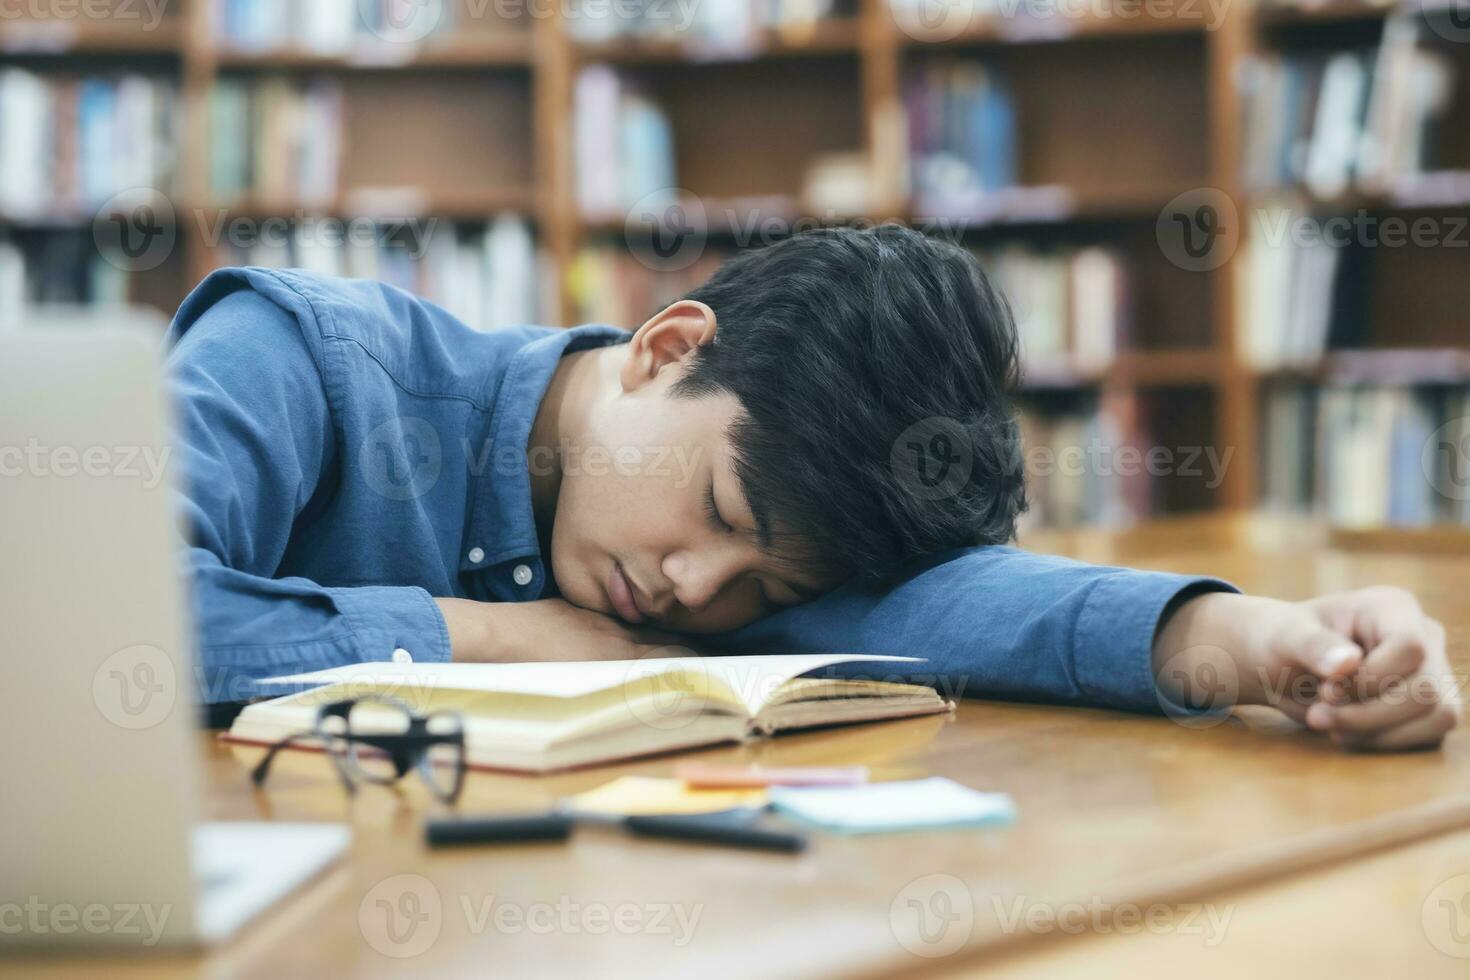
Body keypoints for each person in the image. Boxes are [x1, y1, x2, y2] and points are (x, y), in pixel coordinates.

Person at [165, 225, 1460, 751]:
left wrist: (1252, 641)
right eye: (723, 515)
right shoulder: (297, 356)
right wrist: (488, 638)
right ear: (667, 349)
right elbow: (77, 625)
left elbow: (945, 603)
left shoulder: (718, 581)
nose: (691, 590)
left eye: (762, 588)